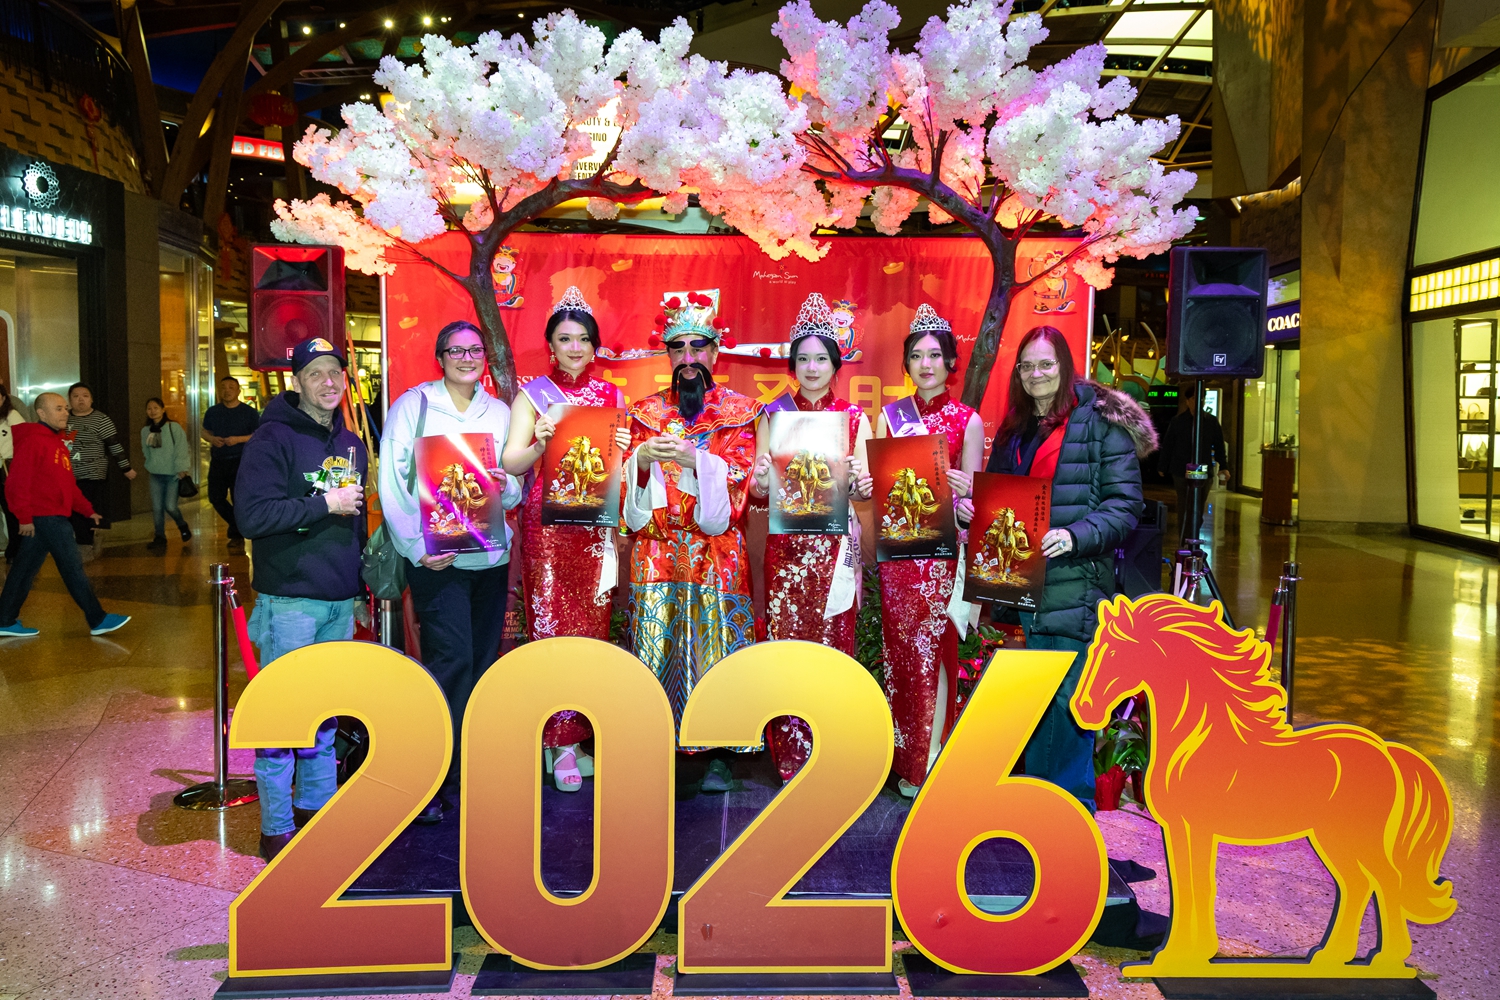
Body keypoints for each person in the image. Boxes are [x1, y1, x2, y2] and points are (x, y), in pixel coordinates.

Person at [986, 325, 1155, 810]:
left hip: (1074, 586)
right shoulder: (1015, 427)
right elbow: (999, 499)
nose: (1036, 374)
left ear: (1065, 365)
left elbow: (1126, 505)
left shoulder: (1099, 421)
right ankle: (1039, 817)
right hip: (1020, 588)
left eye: (1046, 364)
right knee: (1034, 708)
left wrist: (1075, 536)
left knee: (1068, 705)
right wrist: (972, 510)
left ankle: (1071, 823)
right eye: (1027, 366)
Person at [381, 321, 523, 824]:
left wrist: (506, 485)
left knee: (481, 663)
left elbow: (513, 488)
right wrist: (416, 546)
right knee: (450, 662)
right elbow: (391, 479)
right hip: (438, 560)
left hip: (489, 558)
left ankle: (471, 770)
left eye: (475, 350)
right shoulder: (413, 406)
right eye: (456, 350)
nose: (467, 358)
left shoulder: (500, 412)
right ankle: (436, 776)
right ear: (440, 357)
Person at [625, 289, 764, 793]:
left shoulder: (742, 412)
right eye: (678, 347)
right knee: (655, 643)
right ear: (667, 355)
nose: (688, 358)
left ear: (715, 352)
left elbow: (743, 479)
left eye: (698, 347)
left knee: (717, 645)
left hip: (717, 551)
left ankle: (721, 752)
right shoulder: (643, 413)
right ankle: (653, 742)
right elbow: (625, 488)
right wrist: (641, 461)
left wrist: (696, 462)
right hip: (657, 548)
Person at [235, 337, 369, 860]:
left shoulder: (351, 442)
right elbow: (253, 517)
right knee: (281, 720)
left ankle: (316, 812)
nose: (328, 382)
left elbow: (353, 524)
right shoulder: (271, 438)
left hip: (338, 601)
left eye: (335, 372)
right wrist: (324, 503)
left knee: (325, 718)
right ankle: (276, 828)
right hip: (289, 600)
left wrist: (357, 589)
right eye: (315, 373)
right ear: (296, 382)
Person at [501, 287, 631, 793]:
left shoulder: (613, 397)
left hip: (594, 527)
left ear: (595, 346)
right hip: (549, 529)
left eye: (583, 339)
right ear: (550, 345)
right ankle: (558, 742)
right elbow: (510, 461)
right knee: (552, 627)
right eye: (565, 339)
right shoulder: (533, 395)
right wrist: (539, 443)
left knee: (592, 630)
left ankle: (579, 736)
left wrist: (625, 448)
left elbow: (618, 471)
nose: (575, 348)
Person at [748, 292, 874, 783]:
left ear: (836, 364)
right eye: (803, 359)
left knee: (834, 641)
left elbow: (862, 488)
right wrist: (760, 479)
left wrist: (862, 483)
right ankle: (790, 754)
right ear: (793, 365)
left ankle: (831, 750)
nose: (812, 367)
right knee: (788, 644)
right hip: (787, 549)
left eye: (821, 358)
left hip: (834, 549)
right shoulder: (773, 415)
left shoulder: (854, 418)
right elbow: (759, 489)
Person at [876, 304, 985, 797]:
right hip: (899, 554)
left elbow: (975, 503)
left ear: (950, 362)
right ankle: (903, 757)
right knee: (901, 654)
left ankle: (931, 756)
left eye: (935, 355)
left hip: (942, 556)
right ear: (906, 364)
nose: (926, 364)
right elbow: (881, 490)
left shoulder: (968, 420)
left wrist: (965, 495)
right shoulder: (890, 417)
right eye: (917, 355)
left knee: (935, 650)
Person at [0, 392, 130, 638]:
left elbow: (67, 485)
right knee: (72, 568)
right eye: (58, 408)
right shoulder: (33, 441)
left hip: (49, 517)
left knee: (23, 570)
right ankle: (98, 618)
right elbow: (16, 483)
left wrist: (87, 510)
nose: (65, 412)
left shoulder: (56, 442)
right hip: (46, 518)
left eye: (65, 408)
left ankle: (4, 619)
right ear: (41, 413)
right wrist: (24, 517)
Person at [66, 382, 135, 552]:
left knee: (84, 508)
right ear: (69, 400)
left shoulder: (101, 419)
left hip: (92, 472)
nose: (80, 399)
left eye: (85, 396)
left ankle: (85, 544)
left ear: (91, 399)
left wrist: (126, 468)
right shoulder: (64, 418)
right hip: (67, 473)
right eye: (76, 396)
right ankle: (85, 541)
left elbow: (114, 445)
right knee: (70, 510)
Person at [1158, 389, 1228, 541]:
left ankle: (1193, 534)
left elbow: (1218, 445)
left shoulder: (1211, 421)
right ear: (1188, 401)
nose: (1198, 402)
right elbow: (1168, 444)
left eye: (1201, 399)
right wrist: (1162, 465)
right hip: (1181, 469)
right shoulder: (1178, 421)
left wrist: (1223, 466)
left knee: (1198, 506)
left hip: (1203, 469)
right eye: (1194, 399)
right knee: (1184, 505)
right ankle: (1184, 538)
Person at [202, 376, 260, 552]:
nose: (227, 390)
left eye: (231, 387)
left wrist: (238, 439)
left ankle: (236, 535)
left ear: (238, 391)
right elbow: (204, 432)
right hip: (218, 460)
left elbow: (258, 435)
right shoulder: (213, 412)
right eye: (223, 387)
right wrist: (212, 439)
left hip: (240, 461)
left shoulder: (249, 413)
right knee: (215, 497)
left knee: (238, 499)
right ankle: (237, 526)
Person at [140, 398, 193, 549]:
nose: (152, 411)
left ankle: (182, 525)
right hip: (155, 474)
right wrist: (150, 463)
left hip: (173, 474)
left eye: (155, 408)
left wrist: (181, 468)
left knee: (170, 506)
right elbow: (145, 450)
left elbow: (181, 448)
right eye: (149, 408)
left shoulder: (173, 427)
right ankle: (160, 537)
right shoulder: (145, 431)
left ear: (163, 409)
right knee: (157, 508)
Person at [0, 383, 26, 563]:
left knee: (11, 509)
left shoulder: (12, 415)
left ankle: (16, 549)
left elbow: (25, 439)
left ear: (3, 398)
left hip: (6, 467)